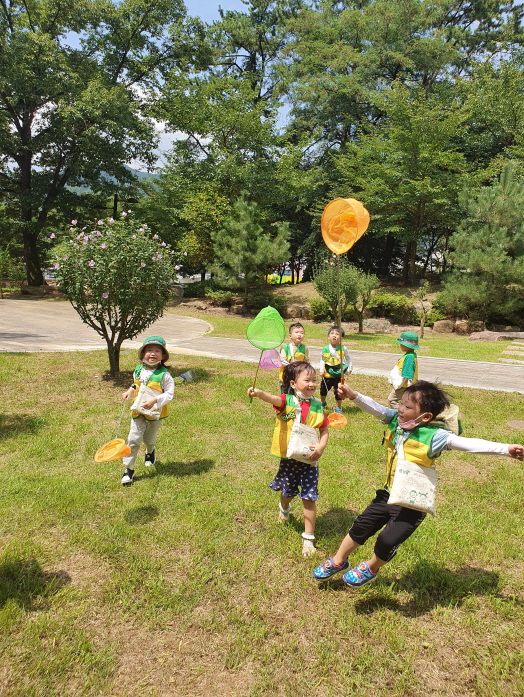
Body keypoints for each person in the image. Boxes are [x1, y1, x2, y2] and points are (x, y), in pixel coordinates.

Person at [313, 379, 524, 587]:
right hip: (388, 494)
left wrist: (505, 449)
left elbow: (467, 444)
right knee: (360, 526)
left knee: (387, 540)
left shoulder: (436, 436)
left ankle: (371, 566)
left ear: (426, 416)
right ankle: (339, 560)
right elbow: (377, 409)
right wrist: (354, 395)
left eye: (407, 406)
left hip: (412, 502)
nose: (401, 409)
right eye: (401, 403)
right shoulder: (396, 420)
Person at [248, 361, 329, 556]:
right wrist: (259, 394)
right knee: (288, 491)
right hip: (290, 458)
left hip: (310, 459)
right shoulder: (287, 401)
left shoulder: (318, 405)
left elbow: (324, 429)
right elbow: (274, 399)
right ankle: (284, 507)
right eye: (307, 380)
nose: (311, 384)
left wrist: (321, 446)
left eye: (314, 381)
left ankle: (308, 539)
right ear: (293, 384)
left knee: (309, 496)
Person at [120, 336, 174, 485]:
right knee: (133, 439)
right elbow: (136, 384)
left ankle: (150, 452)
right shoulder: (138, 370)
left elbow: (169, 394)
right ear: (143, 354)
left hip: (154, 413)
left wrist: (154, 400)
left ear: (163, 356)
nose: (152, 353)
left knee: (149, 439)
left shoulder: (165, 375)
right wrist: (130, 391)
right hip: (138, 411)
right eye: (149, 350)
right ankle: (128, 469)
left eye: (157, 351)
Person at [319, 326, 352, 413]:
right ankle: (322, 402)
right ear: (328, 336)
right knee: (323, 390)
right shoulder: (324, 349)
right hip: (327, 374)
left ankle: (338, 407)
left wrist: (349, 367)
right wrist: (321, 370)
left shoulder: (343, 348)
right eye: (332, 333)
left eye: (337, 334)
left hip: (338, 374)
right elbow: (322, 360)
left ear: (341, 338)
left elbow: (348, 358)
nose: (334, 336)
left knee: (339, 391)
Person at [388, 331, 419, 408]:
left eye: (401, 344)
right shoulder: (410, 355)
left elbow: (408, 371)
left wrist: (409, 384)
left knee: (391, 400)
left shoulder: (409, 357)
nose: (400, 345)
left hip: (404, 386)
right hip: (406, 385)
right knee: (405, 401)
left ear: (407, 346)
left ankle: (401, 414)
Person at [279, 322, 310, 394]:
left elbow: (307, 362)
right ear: (290, 336)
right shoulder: (285, 348)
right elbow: (282, 361)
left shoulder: (305, 348)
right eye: (296, 332)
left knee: (296, 395)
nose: (299, 334)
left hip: (298, 376)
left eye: (302, 333)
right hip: (286, 376)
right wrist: (291, 366)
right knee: (285, 395)